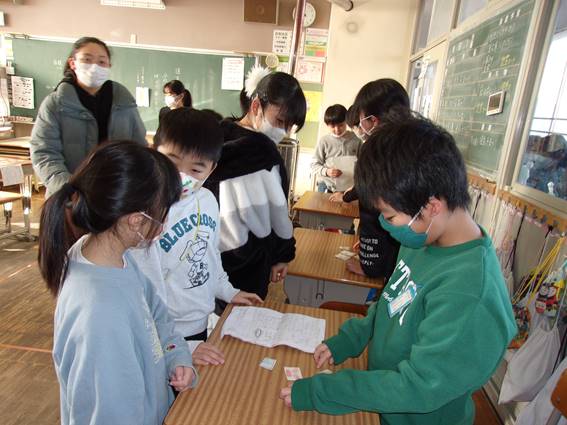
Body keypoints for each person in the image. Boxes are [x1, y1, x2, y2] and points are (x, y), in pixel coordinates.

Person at [280, 117, 517, 425]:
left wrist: (323, 392)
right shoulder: (423, 237)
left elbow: (416, 387)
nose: (384, 225)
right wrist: (351, 339)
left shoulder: (470, 294)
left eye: (390, 216)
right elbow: (390, 303)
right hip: (383, 401)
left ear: (432, 206)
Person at [38, 141, 197, 425]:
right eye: (163, 213)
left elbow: (157, 315)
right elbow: (111, 413)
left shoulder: (111, 256)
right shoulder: (101, 312)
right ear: (136, 221)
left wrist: (177, 357)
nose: (164, 222)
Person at [133, 108, 262, 366]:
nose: (182, 176)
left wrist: (228, 291)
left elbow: (210, 256)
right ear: (153, 152)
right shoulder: (143, 214)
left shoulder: (207, 200)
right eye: (172, 162)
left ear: (212, 169)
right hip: (162, 335)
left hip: (199, 323)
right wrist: (177, 348)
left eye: (196, 169)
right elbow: (140, 293)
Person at [204, 66, 306, 307]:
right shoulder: (266, 154)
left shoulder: (213, 139)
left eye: (289, 126)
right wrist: (283, 255)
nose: (283, 132)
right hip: (248, 263)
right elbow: (278, 213)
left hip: (206, 257)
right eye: (279, 121)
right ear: (256, 106)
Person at [30, 36, 146, 196]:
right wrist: (69, 191)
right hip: (69, 197)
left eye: (101, 62)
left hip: (116, 197)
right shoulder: (56, 104)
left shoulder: (124, 102)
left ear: (109, 66)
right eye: (87, 59)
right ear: (73, 63)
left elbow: (139, 149)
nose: (94, 67)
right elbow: (44, 153)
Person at [329, 79, 412, 279]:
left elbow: (372, 214)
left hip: (386, 260)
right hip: (406, 256)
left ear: (372, 120)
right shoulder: (414, 144)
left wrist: (369, 260)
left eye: (361, 118)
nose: (360, 125)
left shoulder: (374, 149)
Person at [311, 104, 361, 193]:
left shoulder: (356, 139)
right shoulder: (324, 141)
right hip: (327, 186)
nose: (337, 129)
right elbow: (314, 165)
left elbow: (363, 163)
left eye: (341, 125)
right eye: (333, 126)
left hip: (350, 187)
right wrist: (327, 171)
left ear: (346, 122)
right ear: (327, 125)